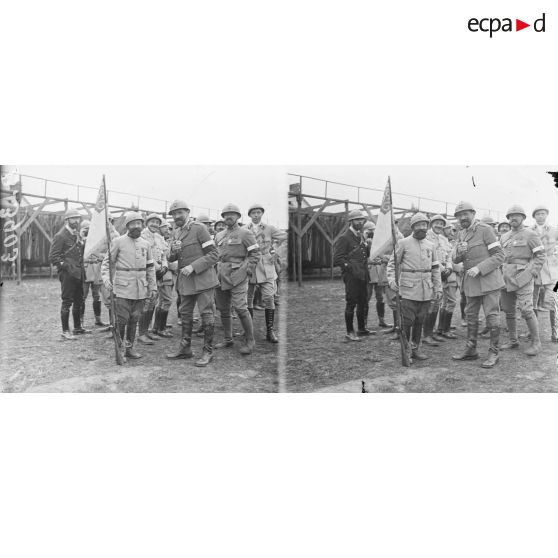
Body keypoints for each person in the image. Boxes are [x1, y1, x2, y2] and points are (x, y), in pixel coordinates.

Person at [164, 200, 220, 367]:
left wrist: (193, 266)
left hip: (203, 279)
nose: (176, 216)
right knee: (185, 313)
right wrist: (173, 251)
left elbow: (215, 254)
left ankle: (208, 351)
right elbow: (172, 258)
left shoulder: (199, 229)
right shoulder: (176, 232)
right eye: (173, 214)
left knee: (206, 314)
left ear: (188, 212)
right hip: (186, 280)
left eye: (179, 212)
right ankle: (185, 348)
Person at [451, 201, 505, 368]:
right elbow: (456, 259)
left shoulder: (485, 230)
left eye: (465, 214)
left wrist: (479, 268)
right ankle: (471, 350)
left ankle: (494, 352)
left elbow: (500, 255)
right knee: (471, 316)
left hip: (489, 281)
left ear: (473, 214)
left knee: (492, 317)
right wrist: (459, 254)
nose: (462, 218)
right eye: (459, 215)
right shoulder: (461, 233)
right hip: (471, 283)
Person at [101, 212, 157, 360]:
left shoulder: (146, 244)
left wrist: (152, 287)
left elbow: (150, 267)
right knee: (122, 320)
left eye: (139, 223)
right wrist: (106, 279)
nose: (136, 226)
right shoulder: (118, 242)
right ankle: (119, 349)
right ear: (127, 226)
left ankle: (129, 348)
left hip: (140, 288)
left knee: (135, 319)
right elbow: (107, 263)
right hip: (122, 288)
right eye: (133, 223)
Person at [387, 212, 442, 363]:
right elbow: (392, 264)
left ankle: (416, 348)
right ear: (412, 227)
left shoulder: (431, 245)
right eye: (418, 225)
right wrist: (392, 280)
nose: (422, 228)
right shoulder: (403, 243)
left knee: (420, 320)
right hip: (408, 290)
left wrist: (438, 288)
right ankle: (406, 351)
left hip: (426, 289)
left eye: (424, 225)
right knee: (407, 321)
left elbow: (435, 268)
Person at [499, 205, 546, 355]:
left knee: (526, 310)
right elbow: (501, 257)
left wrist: (531, 272)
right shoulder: (504, 236)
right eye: (510, 216)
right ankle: (513, 340)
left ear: (523, 218)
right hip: (506, 276)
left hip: (523, 277)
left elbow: (540, 256)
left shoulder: (530, 234)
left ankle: (536, 342)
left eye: (517, 215)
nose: (513, 218)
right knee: (508, 310)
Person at [214, 203, 260, 354]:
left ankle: (250, 340)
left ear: (238, 216)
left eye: (232, 214)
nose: (228, 217)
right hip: (221, 275)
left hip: (238, 275)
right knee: (223, 308)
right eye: (226, 215)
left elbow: (255, 254)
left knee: (241, 308)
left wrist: (247, 270)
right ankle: (228, 339)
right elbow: (214, 255)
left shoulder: (245, 233)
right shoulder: (219, 235)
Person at [245, 203, 287, 343]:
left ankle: (270, 331)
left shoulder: (269, 228)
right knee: (248, 298)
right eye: (253, 213)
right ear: (249, 215)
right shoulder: (244, 229)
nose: (256, 215)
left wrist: (275, 250)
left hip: (266, 265)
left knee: (269, 296)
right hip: (250, 265)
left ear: (262, 214)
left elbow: (284, 236)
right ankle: (248, 331)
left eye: (258, 212)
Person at [49, 209, 91, 340]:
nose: (76, 221)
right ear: (67, 220)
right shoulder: (60, 236)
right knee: (67, 301)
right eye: (73, 219)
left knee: (79, 300)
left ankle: (77, 328)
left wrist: (83, 240)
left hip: (79, 273)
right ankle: (65, 331)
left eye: (77, 218)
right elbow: (53, 257)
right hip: (67, 274)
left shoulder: (76, 234)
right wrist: (67, 267)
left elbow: (79, 252)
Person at [333, 209, 372, 341]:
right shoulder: (344, 238)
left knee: (363, 302)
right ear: (351, 221)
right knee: (351, 303)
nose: (360, 222)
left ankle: (361, 329)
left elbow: (364, 254)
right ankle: (350, 332)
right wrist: (351, 268)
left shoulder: (360, 236)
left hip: (362, 274)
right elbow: (338, 259)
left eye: (361, 220)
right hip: (351, 276)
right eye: (357, 220)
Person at [136, 213, 171, 344]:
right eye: (152, 222)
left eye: (157, 222)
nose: (155, 224)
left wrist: (165, 266)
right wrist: (157, 267)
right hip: (145, 273)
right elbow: (145, 256)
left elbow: (163, 254)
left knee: (153, 300)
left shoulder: (158, 237)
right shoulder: (141, 235)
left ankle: (148, 331)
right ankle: (142, 333)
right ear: (147, 222)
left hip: (156, 274)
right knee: (146, 302)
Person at [423, 215, 453, 345]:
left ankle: (432, 333)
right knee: (430, 303)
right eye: (436, 223)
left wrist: (449, 267)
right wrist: (442, 269)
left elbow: (449, 254)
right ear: (431, 224)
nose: (439, 226)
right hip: (430, 273)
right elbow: (430, 257)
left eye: (441, 224)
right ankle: (426, 335)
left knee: (437, 302)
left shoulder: (443, 239)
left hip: (442, 274)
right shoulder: (426, 237)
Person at [530, 205, 558, 342]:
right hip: (535, 268)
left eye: (543, 213)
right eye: (538, 214)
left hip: (552, 269)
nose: (541, 216)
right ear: (534, 216)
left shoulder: (554, 230)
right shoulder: (529, 231)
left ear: (546, 215)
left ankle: (555, 333)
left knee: (554, 301)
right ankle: (533, 332)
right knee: (532, 301)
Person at [363, 221, 391, 329]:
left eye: (373, 230)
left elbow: (383, 255)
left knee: (380, 298)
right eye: (369, 231)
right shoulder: (362, 241)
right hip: (368, 273)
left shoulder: (379, 241)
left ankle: (381, 320)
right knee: (366, 297)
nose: (372, 232)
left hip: (379, 272)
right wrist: (367, 243)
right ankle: (364, 323)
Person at [80, 220, 108, 327]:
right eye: (86, 229)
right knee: (83, 296)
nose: (88, 231)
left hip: (96, 270)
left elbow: (102, 252)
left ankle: (98, 319)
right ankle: (80, 322)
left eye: (89, 229)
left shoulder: (97, 240)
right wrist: (82, 238)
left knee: (97, 296)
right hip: (85, 271)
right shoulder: (79, 240)